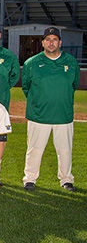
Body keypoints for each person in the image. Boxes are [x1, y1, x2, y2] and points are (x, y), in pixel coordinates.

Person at [22, 27, 80, 192]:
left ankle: (66, 179)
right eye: (48, 39)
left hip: (63, 116)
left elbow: (73, 85)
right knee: (34, 150)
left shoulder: (70, 62)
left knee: (65, 150)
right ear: (42, 43)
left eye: (54, 39)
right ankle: (30, 179)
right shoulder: (31, 63)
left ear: (60, 42)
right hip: (38, 116)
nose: (51, 42)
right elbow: (26, 87)